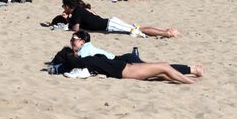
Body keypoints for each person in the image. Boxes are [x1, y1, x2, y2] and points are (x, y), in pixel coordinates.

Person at [52, 32, 203, 83]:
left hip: (125, 62)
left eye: (74, 40)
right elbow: (66, 64)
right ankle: (191, 75)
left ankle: (192, 71)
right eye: (71, 41)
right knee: (162, 69)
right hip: (125, 68)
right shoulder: (81, 58)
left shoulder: (86, 52)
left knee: (162, 70)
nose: (72, 42)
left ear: (82, 42)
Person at [53, 0, 179, 37]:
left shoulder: (76, 13)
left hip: (110, 25)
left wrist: (66, 21)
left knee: (135, 30)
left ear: (69, 6)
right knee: (136, 28)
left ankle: (166, 33)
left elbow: (75, 29)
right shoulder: (79, 10)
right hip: (109, 24)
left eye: (64, 7)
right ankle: (165, 31)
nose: (63, 9)